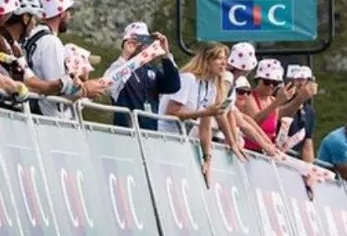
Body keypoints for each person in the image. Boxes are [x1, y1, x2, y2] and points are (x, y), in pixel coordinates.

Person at [157, 41, 244, 185]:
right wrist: (205, 112)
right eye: (218, 58)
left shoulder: (211, 87)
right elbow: (171, 112)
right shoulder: (188, 78)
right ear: (206, 60)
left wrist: (207, 159)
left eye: (225, 59)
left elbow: (205, 127)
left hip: (181, 140)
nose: (224, 63)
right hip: (163, 138)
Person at [103, 22, 180, 130]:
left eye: (145, 40)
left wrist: (166, 54)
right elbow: (107, 86)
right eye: (136, 41)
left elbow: (173, 86)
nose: (141, 45)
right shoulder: (119, 67)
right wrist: (125, 56)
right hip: (125, 133)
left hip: (149, 133)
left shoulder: (151, 70)